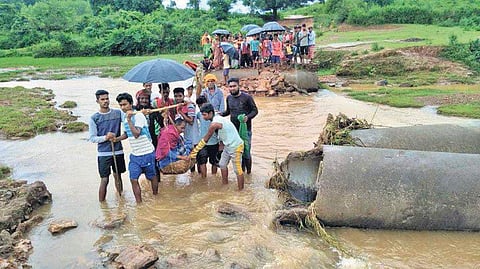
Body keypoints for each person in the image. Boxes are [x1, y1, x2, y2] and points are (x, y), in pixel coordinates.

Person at [190, 103, 245, 190]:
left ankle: (241, 191)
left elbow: (206, 139)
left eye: (204, 115)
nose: (203, 117)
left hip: (236, 146)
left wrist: (194, 152)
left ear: (211, 113)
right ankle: (225, 185)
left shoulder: (214, 124)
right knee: (222, 164)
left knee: (238, 170)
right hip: (228, 145)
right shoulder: (217, 116)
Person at [116, 93, 158, 203]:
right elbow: (127, 134)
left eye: (125, 104)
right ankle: (139, 204)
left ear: (131, 104)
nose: (123, 107)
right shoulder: (125, 118)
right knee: (133, 179)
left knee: (152, 176)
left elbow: (136, 134)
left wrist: (129, 120)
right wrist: (116, 139)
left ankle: (156, 197)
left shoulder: (138, 116)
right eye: (120, 105)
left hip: (147, 152)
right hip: (135, 154)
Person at [88, 89, 126, 202]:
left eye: (107, 98)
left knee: (118, 177)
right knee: (104, 179)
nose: (105, 101)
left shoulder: (118, 113)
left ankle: (121, 201)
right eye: (102, 99)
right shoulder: (94, 118)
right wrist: (106, 137)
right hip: (103, 153)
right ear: (97, 101)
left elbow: (128, 123)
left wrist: (118, 138)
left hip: (118, 150)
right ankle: (102, 205)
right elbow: (92, 138)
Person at [221, 78, 258, 174]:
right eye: (230, 86)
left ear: (239, 86)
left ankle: (249, 173)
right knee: (238, 153)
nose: (232, 88)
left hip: (246, 130)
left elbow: (255, 111)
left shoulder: (247, 97)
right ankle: (242, 172)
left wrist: (248, 117)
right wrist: (219, 114)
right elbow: (228, 112)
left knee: (246, 152)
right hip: (234, 131)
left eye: (234, 86)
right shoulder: (229, 98)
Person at [195, 96, 219, 178]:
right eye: (199, 106)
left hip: (214, 142)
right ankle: (203, 180)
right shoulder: (199, 114)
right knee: (202, 162)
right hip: (203, 143)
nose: (201, 108)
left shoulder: (215, 115)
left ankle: (214, 177)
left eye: (202, 105)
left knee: (214, 162)